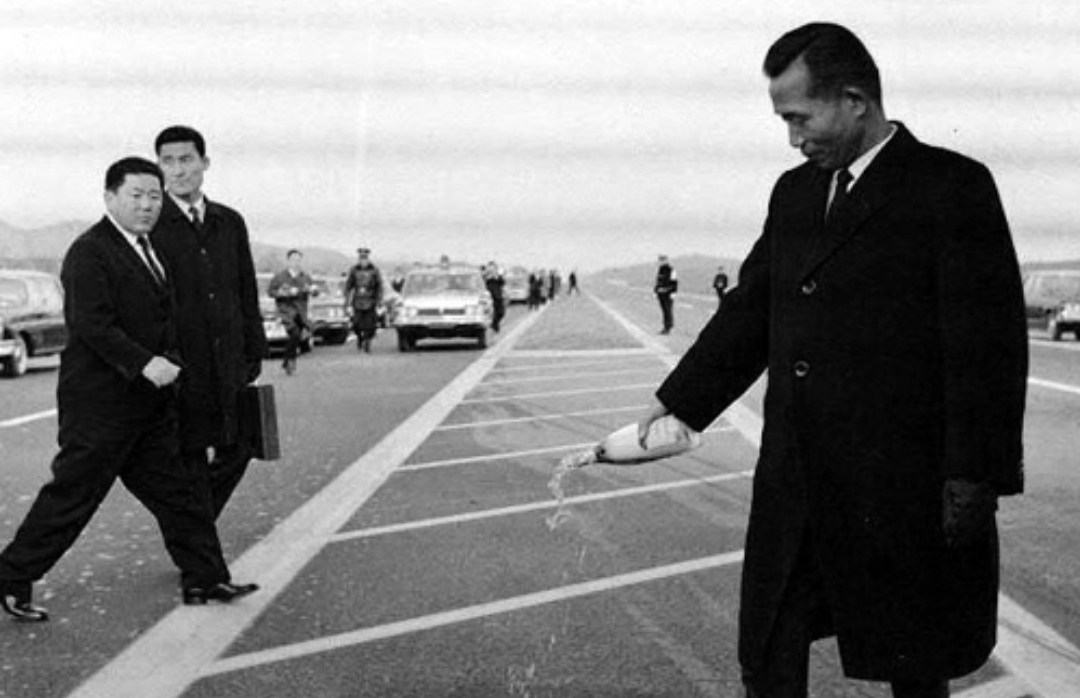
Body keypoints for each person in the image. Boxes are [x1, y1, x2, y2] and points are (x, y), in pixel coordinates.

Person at [635, 23, 1027, 698]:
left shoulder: (949, 185)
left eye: (800, 117)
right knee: (769, 649)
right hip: (797, 476)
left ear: (853, 100)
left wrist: (973, 474)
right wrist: (679, 401)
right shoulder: (794, 193)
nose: (793, 137)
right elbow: (753, 310)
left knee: (913, 661)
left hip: (899, 483)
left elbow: (987, 343)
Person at [0, 158, 257, 622]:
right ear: (110, 198)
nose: (147, 205)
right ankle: (11, 578)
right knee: (72, 498)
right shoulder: (90, 252)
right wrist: (144, 363)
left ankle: (205, 577)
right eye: (136, 196)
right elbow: (91, 324)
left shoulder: (148, 249)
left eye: (154, 196)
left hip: (149, 408)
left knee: (181, 497)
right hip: (101, 408)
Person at [151, 125, 267, 520]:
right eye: (168, 161)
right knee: (191, 455)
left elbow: (246, 288)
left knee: (241, 445)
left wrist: (254, 349)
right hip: (183, 363)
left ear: (205, 163)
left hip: (230, 358)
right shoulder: (153, 224)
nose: (178, 170)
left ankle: (193, 529)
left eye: (186, 159)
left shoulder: (229, 222)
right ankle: (197, 544)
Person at [268, 249, 314, 372]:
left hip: (301, 311)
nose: (296, 262)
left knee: (302, 334)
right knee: (294, 333)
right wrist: (284, 293)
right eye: (293, 260)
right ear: (288, 261)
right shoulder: (279, 277)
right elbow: (271, 292)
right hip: (286, 311)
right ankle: (290, 360)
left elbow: (313, 290)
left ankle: (287, 359)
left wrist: (313, 290)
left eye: (298, 260)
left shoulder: (305, 277)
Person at [344, 247, 384, 353]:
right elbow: (349, 285)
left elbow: (379, 286)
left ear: (368, 259)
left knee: (370, 324)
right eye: (361, 258)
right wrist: (347, 299)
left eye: (365, 258)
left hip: (370, 300)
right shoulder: (354, 270)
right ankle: (359, 337)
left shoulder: (374, 270)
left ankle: (367, 341)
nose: (363, 260)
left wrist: (379, 300)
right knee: (356, 323)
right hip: (357, 301)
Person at [654, 254, 678, 334]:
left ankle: (668, 327)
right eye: (660, 260)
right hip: (661, 293)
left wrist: (673, 292)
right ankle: (665, 326)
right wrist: (655, 291)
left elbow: (674, 282)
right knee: (664, 311)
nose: (660, 262)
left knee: (668, 310)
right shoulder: (660, 269)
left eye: (662, 260)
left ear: (666, 261)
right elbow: (658, 281)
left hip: (668, 293)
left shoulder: (671, 270)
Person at [482, 261, 506, 332]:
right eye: (491, 268)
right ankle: (494, 326)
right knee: (493, 313)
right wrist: (487, 275)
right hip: (490, 298)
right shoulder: (487, 278)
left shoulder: (497, 277)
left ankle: (494, 324)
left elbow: (502, 282)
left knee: (501, 313)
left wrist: (498, 276)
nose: (492, 270)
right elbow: (483, 282)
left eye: (493, 268)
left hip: (498, 297)